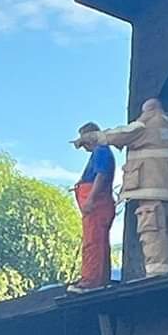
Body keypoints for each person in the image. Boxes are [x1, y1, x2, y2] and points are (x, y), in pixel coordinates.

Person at [74, 99, 168, 278]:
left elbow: (119, 134)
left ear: (148, 110)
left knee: (152, 236)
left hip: (152, 191)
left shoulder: (147, 124)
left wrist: (90, 137)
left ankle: (156, 282)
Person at [71, 122, 116, 290]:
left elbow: (101, 175)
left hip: (97, 204)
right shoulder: (100, 152)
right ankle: (101, 279)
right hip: (99, 204)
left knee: (93, 242)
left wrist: (90, 198)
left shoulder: (101, 151)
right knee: (99, 241)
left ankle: (90, 281)